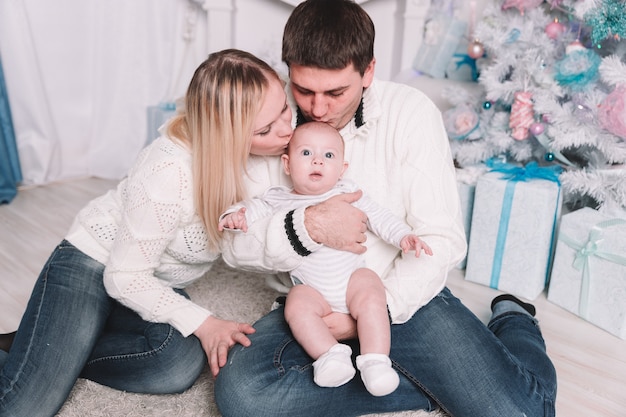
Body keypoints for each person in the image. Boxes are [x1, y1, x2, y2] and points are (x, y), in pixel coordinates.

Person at [215, 1, 558, 417]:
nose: (317, 109)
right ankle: (432, 384)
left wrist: (373, 313)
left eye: (335, 92)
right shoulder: (273, 118)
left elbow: (441, 239)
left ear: (369, 71)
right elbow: (235, 246)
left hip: (399, 296)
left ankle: (513, 320)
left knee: (522, 412)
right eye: (304, 90)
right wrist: (307, 225)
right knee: (244, 398)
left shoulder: (410, 113)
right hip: (313, 302)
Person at [0, 48, 294, 417]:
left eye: (284, 108)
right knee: (23, 406)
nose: (287, 129)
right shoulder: (169, 172)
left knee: (175, 364)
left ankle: (46, 347)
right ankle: (43, 354)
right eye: (265, 129)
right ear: (225, 135)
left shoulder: (271, 150)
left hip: (152, 279)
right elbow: (124, 277)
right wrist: (208, 323)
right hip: (95, 264)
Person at [219, 121, 432, 397]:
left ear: (342, 169)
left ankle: (376, 361)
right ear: (287, 164)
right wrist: (236, 215)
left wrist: (404, 236)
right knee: (295, 302)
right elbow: (250, 209)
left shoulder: (347, 193)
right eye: (306, 153)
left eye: (328, 155)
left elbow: (379, 217)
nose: (317, 160)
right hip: (314, 291)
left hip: (351, 282)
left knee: (370, 287)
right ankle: (330, 356)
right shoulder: (277, 198)